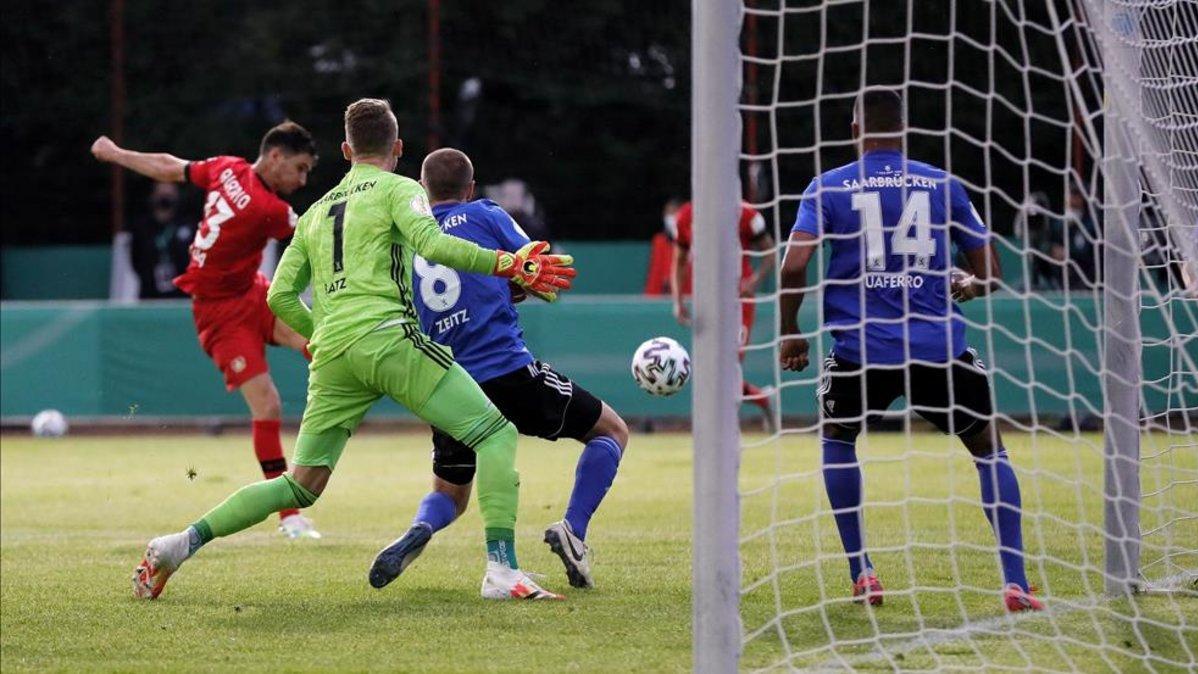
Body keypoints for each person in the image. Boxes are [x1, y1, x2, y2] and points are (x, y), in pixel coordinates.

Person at [128, 98, 576, 602]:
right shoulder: (400, 188)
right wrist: (507, 264)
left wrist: (318, 332)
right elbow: (434, 246)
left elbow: (278, 294)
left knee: (300, 486)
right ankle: (501, 570)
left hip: (336, 355)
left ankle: (179, 543)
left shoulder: (316, 212)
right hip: (388, 337)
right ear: (399, 149)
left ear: (345, 150)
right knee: (494, 433)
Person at [777, 89, 1042, 613]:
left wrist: (791, 330)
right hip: (937, 346)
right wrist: (967, 285)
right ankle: (1016, 582)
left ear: (855, 129)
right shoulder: (942, 183)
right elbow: (991, 274)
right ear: (904, 130)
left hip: (860, 348)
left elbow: (791, 265)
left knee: (838, 439)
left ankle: (863, 573)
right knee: (989, 447)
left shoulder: (827, 188)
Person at [368, 148, 629, 591]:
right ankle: (573, 532)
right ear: (470, 188)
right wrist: (519, 281)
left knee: (450, 492)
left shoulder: (411, 238)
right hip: (506, 370)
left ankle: (420, 529)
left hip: (448, 383)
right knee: (610, 431)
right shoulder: (486, 213)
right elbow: (530, 261)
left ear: (422, 190)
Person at [91, 122, 322, 539]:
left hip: (253, 291)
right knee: (268, 406)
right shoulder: (268, 210)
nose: (303, 180)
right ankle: (289, 516)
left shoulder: (227, 167)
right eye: (300, 168)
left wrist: (117, 153)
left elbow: (168, 166)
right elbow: (320, 238)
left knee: (317, 344)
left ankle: (343, 404)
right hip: (219, 313)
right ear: (275, 157)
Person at [669, 199, 775, 424]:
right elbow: (678, 260)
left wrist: (755, 279)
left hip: (740, 302)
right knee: (713, 370)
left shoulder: (745, 214)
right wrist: (677, 301)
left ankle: (723, 427)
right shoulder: (686, 216)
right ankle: (762, 398)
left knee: (728, 366)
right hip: (707, 303)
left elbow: (770, 251)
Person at [127, 182, 193, 299]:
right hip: (150, 294)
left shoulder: (187, 226)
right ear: (153, 197)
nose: (165, 200)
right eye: (161, 195)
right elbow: (136, 260)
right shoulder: (142, 228)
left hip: (181, 295)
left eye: (169, 196)